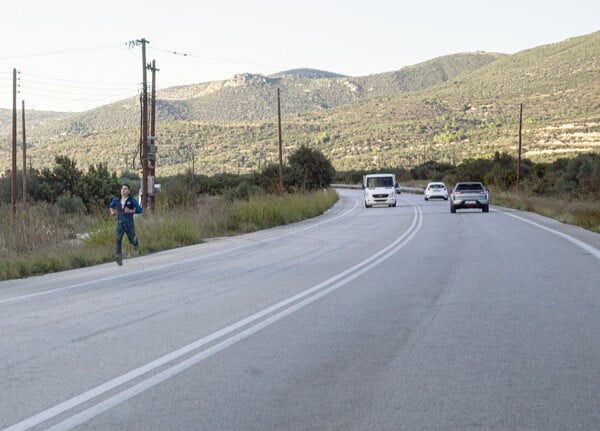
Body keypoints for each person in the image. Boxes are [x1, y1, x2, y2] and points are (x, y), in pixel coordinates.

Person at [109, 183, 142, 265]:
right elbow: (111, 206)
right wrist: (112, 212)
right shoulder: (116, 200)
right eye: (122, 189)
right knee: (118, 238)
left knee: (132, 239)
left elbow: (139, 210)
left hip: (129, 223)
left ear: (129, 191)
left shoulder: (132, 200)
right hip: (120, 223)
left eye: (125, 189)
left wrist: (130, 211)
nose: (123, 190)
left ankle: (135, 243)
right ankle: (118, 256)